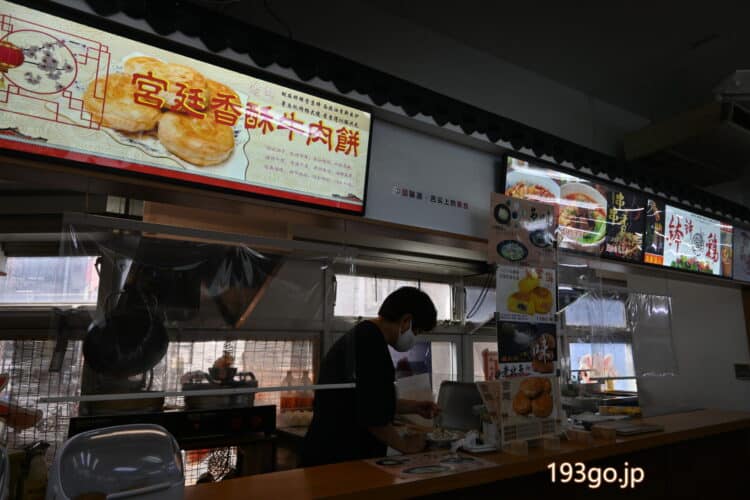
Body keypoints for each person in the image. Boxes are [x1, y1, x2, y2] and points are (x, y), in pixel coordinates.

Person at [302, 287, 441, 466]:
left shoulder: (363, 334)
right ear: (406, 321)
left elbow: (367, 398)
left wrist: (414, 407)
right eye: (417, 332)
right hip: (340, 460)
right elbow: (374, 418)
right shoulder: (371, 345)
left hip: (326, 452)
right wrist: (406, 446)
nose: (414, 339)